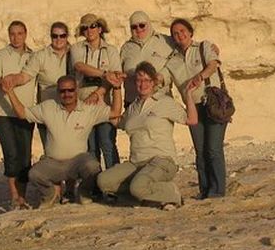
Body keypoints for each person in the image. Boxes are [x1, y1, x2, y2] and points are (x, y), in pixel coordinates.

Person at [5, 75, 122, 208]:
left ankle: (84, 191)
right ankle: (50, 195)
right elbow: (22, 113)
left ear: (76, 90)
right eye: (62, 91)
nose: (67, 94)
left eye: (70, 90)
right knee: (34, 174)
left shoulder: (88, 109)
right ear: (58, 92)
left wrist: (117, 88)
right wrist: (10, 92)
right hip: (54, 163)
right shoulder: (48, 107)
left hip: (78, 162)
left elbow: (115, 112)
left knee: (93, 167)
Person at [97, 62, 199, 209]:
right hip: (136, 162)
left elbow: (191, 119)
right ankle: (143, 196)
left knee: (137, 187)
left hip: (161, 160)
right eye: (139, 80)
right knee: (104, 181)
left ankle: (171, 192)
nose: (142, 84)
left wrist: (188, 94)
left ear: (154, 82)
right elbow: (116, 121)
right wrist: (116, 88)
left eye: (147, 80)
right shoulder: (133, 106)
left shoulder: (164, 102)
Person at [167, 18, 228, 199]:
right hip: (193, 107)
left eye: (182, 31)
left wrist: (200, 77)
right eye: (175, 33)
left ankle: (217, 190)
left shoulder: (203, 47)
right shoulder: (173, 59)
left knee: (214, 149)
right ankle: (205, 189)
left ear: (190, 32)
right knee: (200, 151)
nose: (180, 35)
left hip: (213, 103)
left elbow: (213, 64)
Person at [0, 20, 36, 209]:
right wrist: (1, 82)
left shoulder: (34, 57)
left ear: (25, 34)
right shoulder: (0, 55)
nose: (16, 37)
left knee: (25, 156)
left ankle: (23, 197)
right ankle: (14, 196)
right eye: (12, 34)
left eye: (19, 33)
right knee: (11, 154)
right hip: (2, 113)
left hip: (25, 112)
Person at [70, 13, 123, 170]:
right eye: (85, 28)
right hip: (83, 104)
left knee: (107, 144)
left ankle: (113, 185)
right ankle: (94, 184)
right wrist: (104, 74)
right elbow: (80, 66)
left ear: (100, 28)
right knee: (90, 147)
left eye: (93, 26)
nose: (89, 30)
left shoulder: (111, 51)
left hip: (104, 103)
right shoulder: (76, 48)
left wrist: (97, 94)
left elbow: (115, 79)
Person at [6, 22, 71, 148]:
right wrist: (12, 80)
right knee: (51, 150)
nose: (58, 39)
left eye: (62, 36)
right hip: (48, 111)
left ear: (67, 36)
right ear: (50, 37)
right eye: (55, 36)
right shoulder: (40, 56)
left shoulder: (75, 54)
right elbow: (25, 76)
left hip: (70, 111)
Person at [119, 11, 176, 107]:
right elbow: (118, 73)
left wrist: (162, 76)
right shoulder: (126, 48)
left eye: (142, 25)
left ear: (148, 24)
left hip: (160, 101)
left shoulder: (166, 41)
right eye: (134, 27)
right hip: (133, 103)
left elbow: (179, 60)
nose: (138, 29)